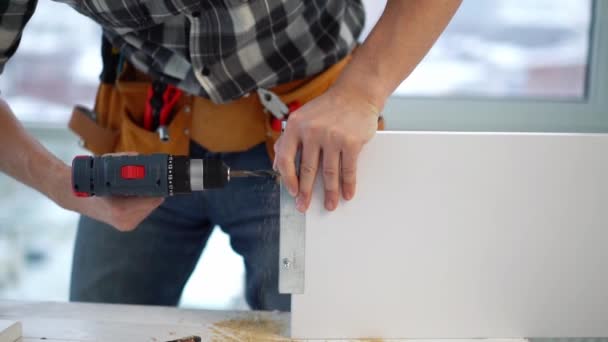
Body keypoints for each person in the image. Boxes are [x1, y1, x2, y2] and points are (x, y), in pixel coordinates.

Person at [0, 0, 461, 311]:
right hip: (144, 138)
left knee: (322, 329)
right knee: (100, 326)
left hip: (311, 139)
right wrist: (61, 185)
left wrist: (362, 92)